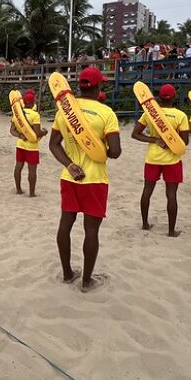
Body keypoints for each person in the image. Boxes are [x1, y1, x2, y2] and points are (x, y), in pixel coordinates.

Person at [49, 67, 121, 291]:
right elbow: (116, 151)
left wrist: (70, 164)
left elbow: (53, 144)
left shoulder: (64, 111)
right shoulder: (106, 113)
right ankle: (87, 281)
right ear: (99, 86)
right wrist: (102, 151)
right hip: (95, 179)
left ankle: (67, 273)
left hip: (70, 177)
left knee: (65, 225)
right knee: (91, 231)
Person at [131, 84, 189, 237]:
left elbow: (135, 134)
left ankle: (145, 224)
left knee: (147, 191)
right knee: (171, 195)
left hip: (152, 158)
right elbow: (185, 142)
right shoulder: (180, 115)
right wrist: (171, 142)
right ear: (174, 97)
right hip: (172, 161)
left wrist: (154, 139)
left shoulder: (150, 113)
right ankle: (171, 231)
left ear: (159, 97)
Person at [10, 91, 47, 197]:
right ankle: (32, 193)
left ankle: (18, 190)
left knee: (18, 166)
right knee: (32, 169)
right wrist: (44, 132)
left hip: (20, 144)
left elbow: (12, 130)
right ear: (32, 103)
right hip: (32, 146)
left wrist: (20, 135)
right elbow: (37, 133)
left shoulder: (17, 114)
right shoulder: (35, 115)